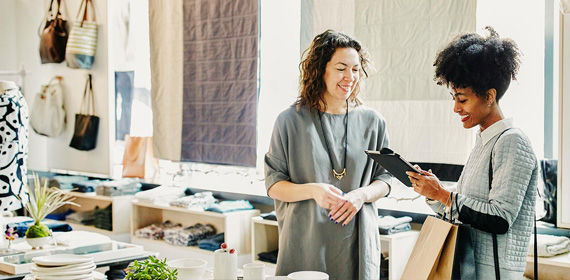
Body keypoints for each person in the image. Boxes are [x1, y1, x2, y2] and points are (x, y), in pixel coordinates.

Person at [407, 27, 538, 280]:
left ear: (489, 96)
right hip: (472, 264)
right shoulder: (484, 141)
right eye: (453, 98)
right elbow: (466, 206)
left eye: (462, 99)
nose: (456, 108)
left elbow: (499, 219)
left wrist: (443, 194)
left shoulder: (512, 141)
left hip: (493, 271)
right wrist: (432, 193)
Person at [264, 30, 391, 279]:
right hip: (305, 244)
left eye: (355, 69)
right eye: (341, 68)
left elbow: (386, 179)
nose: (350, 77)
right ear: (320, 70)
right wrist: (312, 190)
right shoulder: (289, 121)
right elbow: (273, 184)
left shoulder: (373, 121)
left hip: (357, 243)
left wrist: (361, 195)